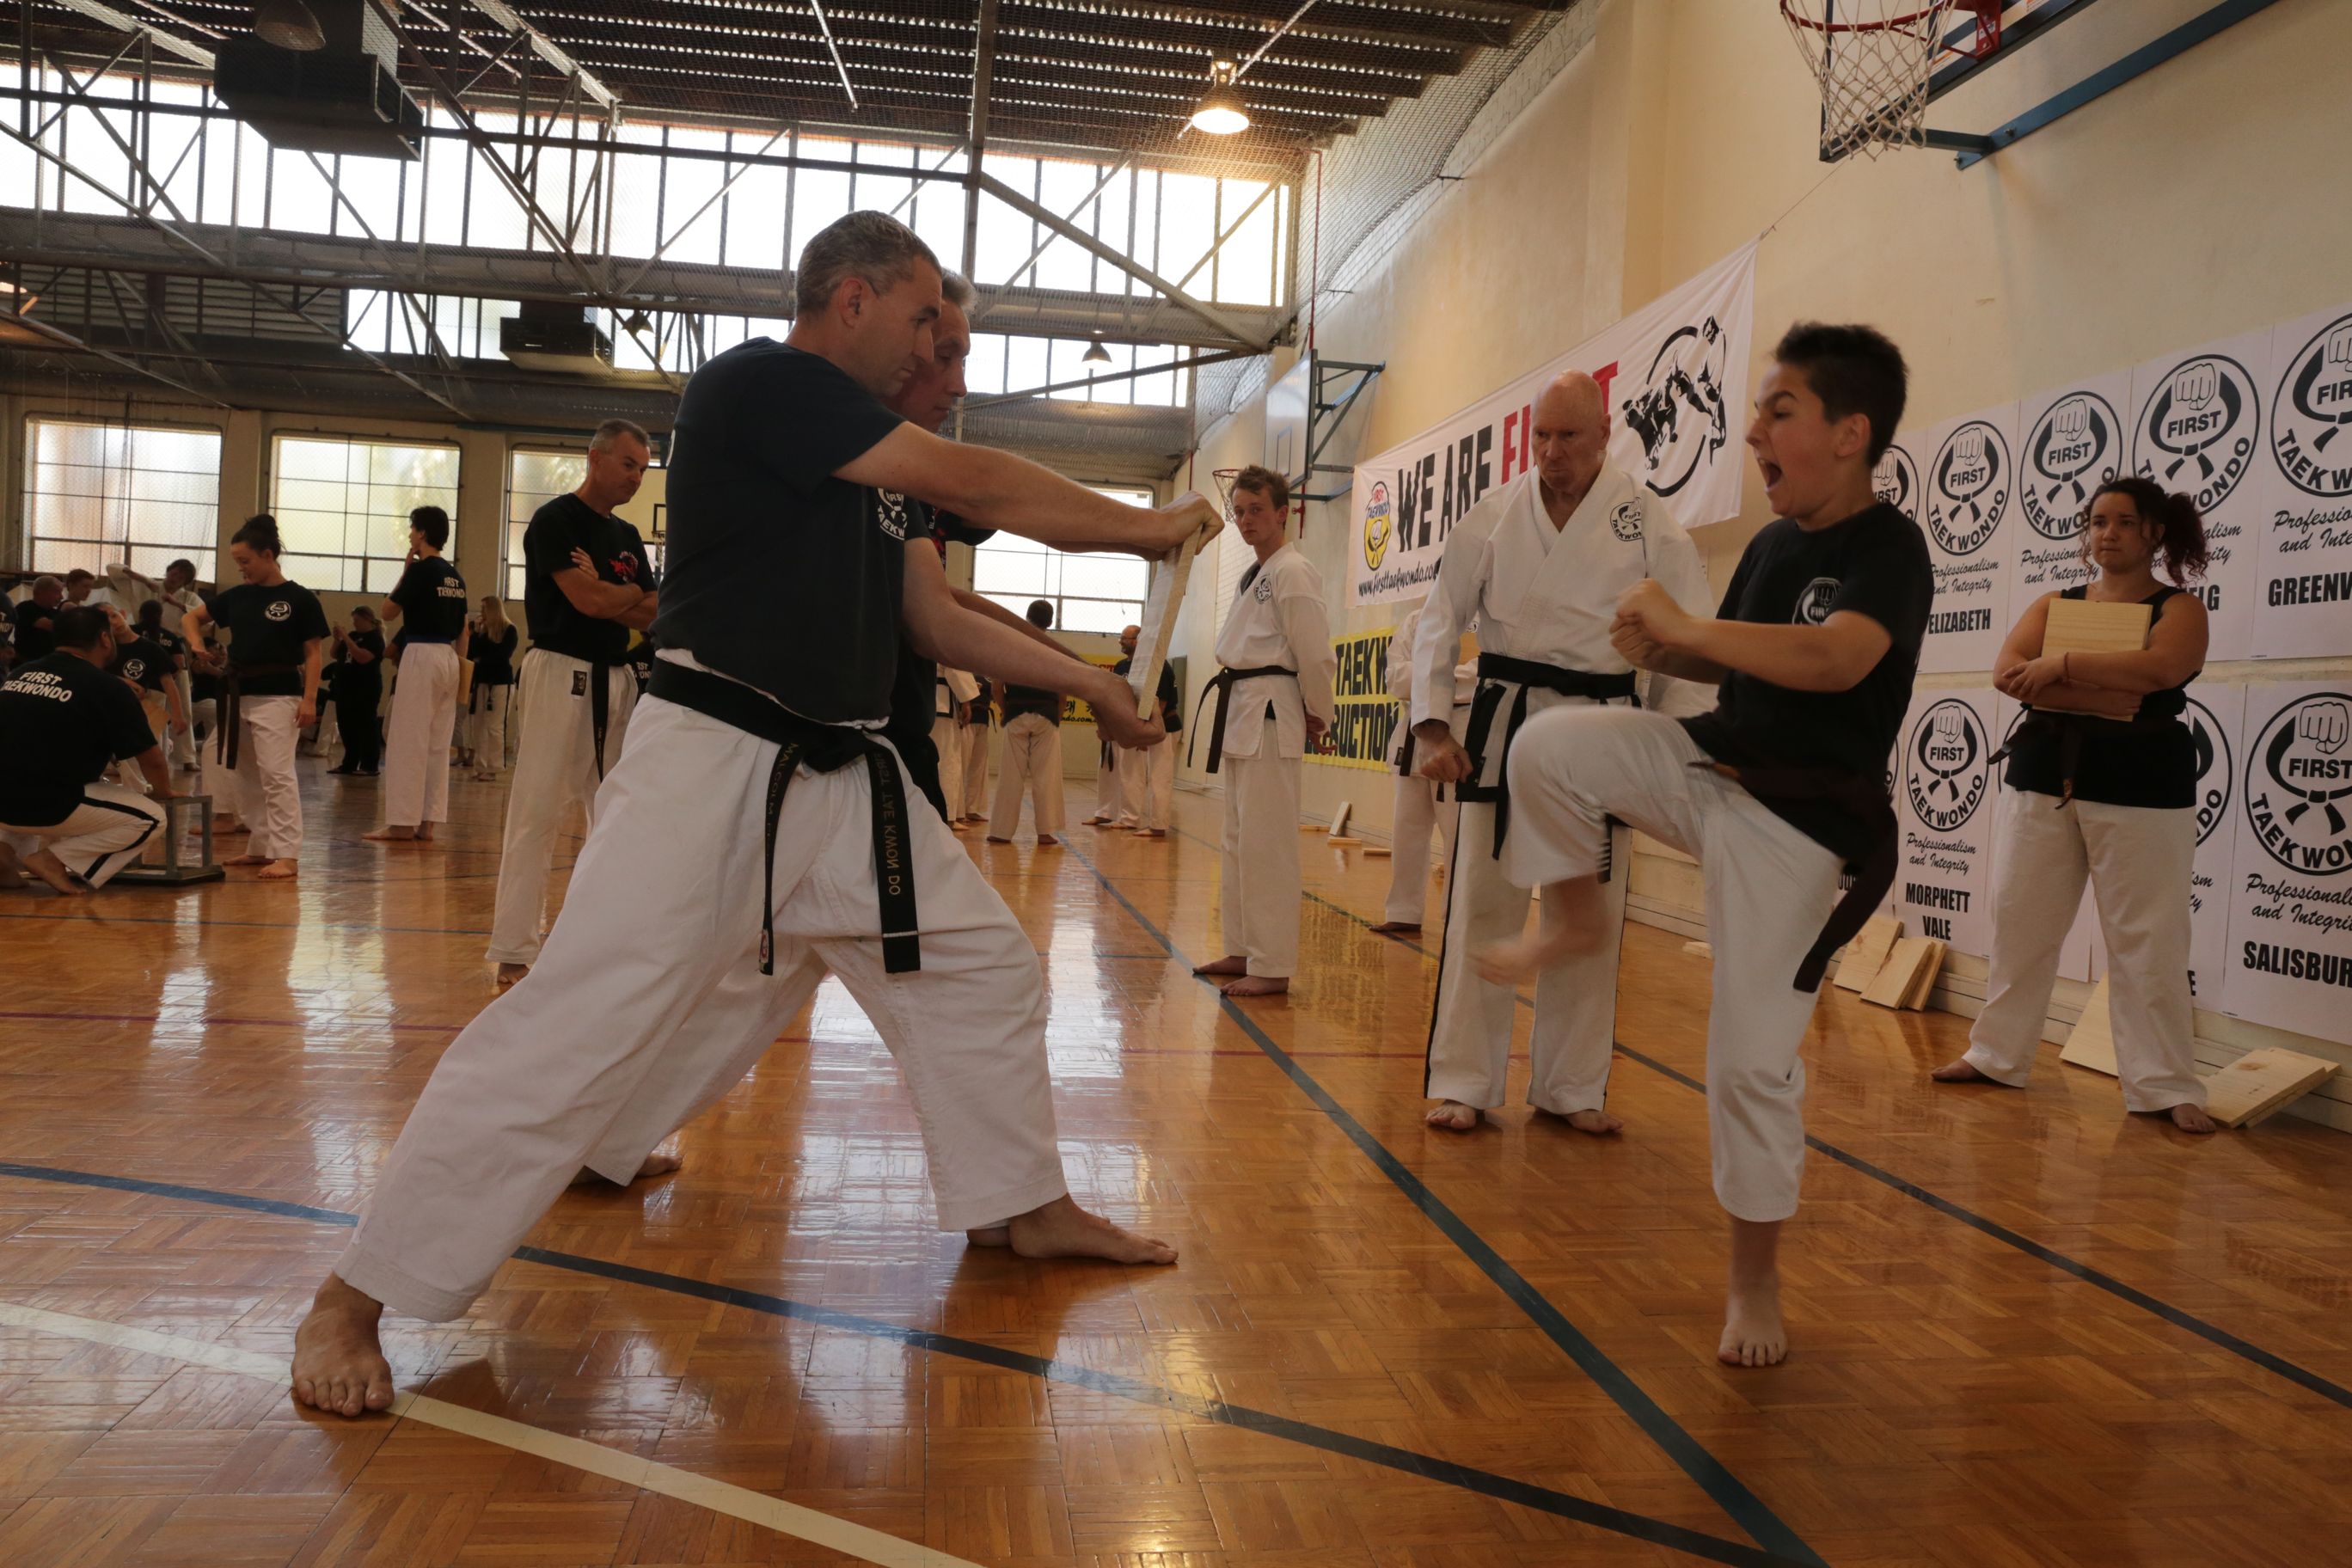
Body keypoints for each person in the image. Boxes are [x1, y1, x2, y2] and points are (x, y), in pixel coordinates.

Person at [290, 210, 1216, 1418]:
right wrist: (1144, 526)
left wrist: (1090, 683)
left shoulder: (876, 469)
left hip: (848, 778)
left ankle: (1023, 1204)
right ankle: (356, 1294)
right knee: (576, 1017)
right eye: (922, 318)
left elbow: (934, 623)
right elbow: (974, 477)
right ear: (852, 299)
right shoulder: (762, 385)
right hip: (715, 759)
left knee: (982, 970)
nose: (933, 345)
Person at [1481, 323, 1931, 1369]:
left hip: (1796, 826)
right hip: (1708, 767)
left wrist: (1683, 627)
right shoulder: (1771, 548)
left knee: (1746, 1065)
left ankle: (1753, 1279)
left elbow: (1835, 660)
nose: (1755, 431)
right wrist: (1657, 647)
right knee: (1548, 745)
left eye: (1780, 411)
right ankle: (1578, 916)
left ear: (1851, 433)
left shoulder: (1887, 548)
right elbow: (1733, 670)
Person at [1408, 373, 1715, 1130]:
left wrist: (1677, 746)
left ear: (1604, 434)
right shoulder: (1491, 515)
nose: (1551, 452)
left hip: (1601, 727)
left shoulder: (1647, 522)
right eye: (1541, 436)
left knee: (1592, 910)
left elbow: (1689, 637)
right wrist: (1432, 726)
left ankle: (1571, 1086)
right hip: (1504, 721)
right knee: (1483, 902)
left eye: (1569, 436)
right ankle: (1465, 1081)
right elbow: (1439, 620)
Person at [1932, 480, 2217, 1132]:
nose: (2107, 533)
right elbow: (2009, 673)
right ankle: (1995, 1055)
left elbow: (2159, 672)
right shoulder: (2054, 601)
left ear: (2154, 533)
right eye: (2097, 521)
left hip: (2144, 783)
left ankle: (2165, 1085)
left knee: (2149, 938)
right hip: (2042, 773)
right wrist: (2094, 692)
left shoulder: (2179, 608)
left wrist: (2058, 665)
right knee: (2020, 922)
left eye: (2125, 522)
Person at [487, 419, 660, 986]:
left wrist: (615, 593)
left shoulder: (627, 536)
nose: (636, 478)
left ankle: (602, 942)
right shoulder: (556, 520)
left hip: (618, 677)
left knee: (614, 816)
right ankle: (514, 947)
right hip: (561, 670)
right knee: (538, 811)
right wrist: (622, 596)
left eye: (643, 469)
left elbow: (655, 611)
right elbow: (587, 602)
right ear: (596, 458)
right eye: (629, 464)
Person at [1189, 468, 1338, 998]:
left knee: (1268, 844)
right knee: (1237, 841)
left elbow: (1314, 651)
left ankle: (1272, 965)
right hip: (1244, 708)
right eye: (1240, 511)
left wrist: (1320, 713)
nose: (1246, 519)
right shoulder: (1255, 574)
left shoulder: (1293, 571)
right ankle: (1243, 948)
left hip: (1272, 710)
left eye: (1256, 510)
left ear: (1283, 513)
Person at [184, 515, 328, 881]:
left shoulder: (300, 599)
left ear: (267, 555)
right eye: (238, 563)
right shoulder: (238, 596)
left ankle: (287, 854)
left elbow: (313, 653)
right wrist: (197, 644)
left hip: (279, 696)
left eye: (246, 561)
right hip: (237, 693)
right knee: (244, 774)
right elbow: (191, 619)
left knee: (277, 775)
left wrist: (309, 699)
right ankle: (260, 845)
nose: (241, 569)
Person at [0, 606, 174, 893]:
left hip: (4, 803)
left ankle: (4, 858)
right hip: (49, 806)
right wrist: (164, 791)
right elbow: (151, 758)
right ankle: (53, 860)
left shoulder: (19, 674)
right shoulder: (107, 687)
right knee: (152, 818)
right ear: (105, 639)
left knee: (24, 774)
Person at [366, 507, 469, 844]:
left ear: (422, 533)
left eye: (412, 529)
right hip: (450, 658)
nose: (410, 534)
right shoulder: (455, 576)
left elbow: (387, 612)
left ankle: (401, 824)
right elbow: (464, 629)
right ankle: (428, 822)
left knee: (407, 740)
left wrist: (404, 573)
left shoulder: (420, 571)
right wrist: (461, 668)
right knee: (438, 744)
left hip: (422, 654)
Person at [1371, 603, 1473, 934]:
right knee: (1407, 831)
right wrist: (1439, 677)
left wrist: (1427, 677)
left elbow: (1478, 677)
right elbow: (1395, 678)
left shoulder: (1485, 621)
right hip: (1413, 730)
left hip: (1459, 731)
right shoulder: (1417, 619)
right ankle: (1403, 911)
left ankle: (1455, 915)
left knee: (1457, 833)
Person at [106, 558, 205, 770]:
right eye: (174, 573)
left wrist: (176, 603)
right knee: (144, 706)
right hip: (140, 650)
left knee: (183, 706)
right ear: (168, 571)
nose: (175, 578)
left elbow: (207, 618)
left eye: (181, 577)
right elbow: (112, 570)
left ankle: (187, 757)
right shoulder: (148, 587)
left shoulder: (189, 598)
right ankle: (136, 756)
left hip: (174, 648)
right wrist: (142, 579)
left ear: (186, 582)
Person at [988, 603, 1071, 847]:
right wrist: (1057, 715)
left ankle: (1001, 832)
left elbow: (996, 687)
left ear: (1026, 618)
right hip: (1047, 714)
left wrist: (1007, 710)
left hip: (1016, 712)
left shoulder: (1010, 644)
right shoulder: (1055, 650)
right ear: (1051, 622)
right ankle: (1046, 833)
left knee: (1010, 774)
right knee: (1046, 775)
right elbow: (1063, 690)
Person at [1107, 622, 1180, 837]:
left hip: (1163, 727)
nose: (1121, 642)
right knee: (1131, 773)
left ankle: (1158, 826)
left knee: (1160, 777)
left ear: (1139, 641)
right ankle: (1129, 818)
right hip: (1139, 727)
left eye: (1125, 638)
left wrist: (1146, 733)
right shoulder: (1126, 666)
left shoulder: (1158, 666)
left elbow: (1161, 704)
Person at [104, 603, 189, 776]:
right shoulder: (106, 651)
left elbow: (168, 682)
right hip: (116, 710)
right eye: (107, 623)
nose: (114, 623)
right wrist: (125, 682)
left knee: (152, 752)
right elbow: (95, 674)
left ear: (122, 613)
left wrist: (178, 714)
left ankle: (155, 786)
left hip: (148, 706)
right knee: (127, 760)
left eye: (114, 616)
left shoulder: (150, 648)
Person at [466, 597, 519, 781]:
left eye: (484, 609)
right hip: (481, 682)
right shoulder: (481, 631)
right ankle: (480, 766)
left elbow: (501, 655)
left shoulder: (509, 630)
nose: (481, 613)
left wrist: (482, 657)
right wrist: (476, 634)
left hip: (501, 683)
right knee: (479, 725)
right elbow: (471, 654)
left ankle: (494, 767)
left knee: (495, 726)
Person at [328, 611, 387, 775]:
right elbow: (334, 654)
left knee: (366, 725)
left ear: (367, 619)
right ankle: (349, 763)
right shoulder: (353, 635)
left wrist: (346, 638)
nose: (354, 623)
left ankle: (369, 765)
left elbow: (362, 657)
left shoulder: (375, 638)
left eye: (357, 620)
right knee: (346, 725)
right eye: (353, 620)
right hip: (345, 687)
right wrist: (337, 639)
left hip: (365, 687)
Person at [959, 675, 995, 825]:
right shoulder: (964, 670)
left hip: (983, 719)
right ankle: (958, 811)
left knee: (978, 767)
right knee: (961, 765)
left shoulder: (988, 674)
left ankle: (972, 809)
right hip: (966, 719)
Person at [9, 576, 63, 664]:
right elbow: (51, 626)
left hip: (48, 663)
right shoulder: (25, 608)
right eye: (57, 592)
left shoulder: (57, 613)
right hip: (25, 663)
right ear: (40, 591)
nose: (61, 597)